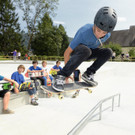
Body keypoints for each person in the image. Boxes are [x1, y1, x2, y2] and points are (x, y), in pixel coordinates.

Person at [52, 7, 117, 91]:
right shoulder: (84, 32)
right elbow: (67, 53)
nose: (99, 35)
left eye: (104, 33)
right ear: (95, 24)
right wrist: (67, 73)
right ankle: (60, 76)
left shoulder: (107, 35)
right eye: (98, 30)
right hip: (77, 52)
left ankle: (89, 73)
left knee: (108, 52)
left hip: (89, 52)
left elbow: (95, 45)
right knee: (86, 50)